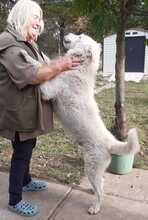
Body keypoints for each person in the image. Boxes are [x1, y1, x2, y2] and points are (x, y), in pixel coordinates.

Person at [0, 0, 80, 217]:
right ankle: (15, 200)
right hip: (18, 112)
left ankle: (25, 182)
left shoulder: (28, 43)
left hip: (28, 110)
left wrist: (64, 64)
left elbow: (46, 64)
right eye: (35, 16)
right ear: (22, 16)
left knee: (28, 146)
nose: (39, 22)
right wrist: (62, 65)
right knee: (21, 153)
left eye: (40, 18)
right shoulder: (9, 44)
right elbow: (33, 75)